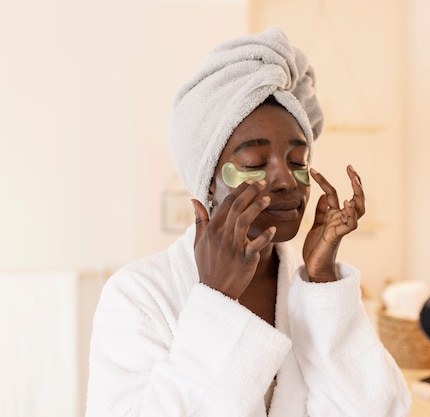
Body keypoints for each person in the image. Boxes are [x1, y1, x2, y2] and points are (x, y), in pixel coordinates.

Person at [85, 27, 411, 417]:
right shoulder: (138, 297)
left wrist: (323, 282)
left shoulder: (310, 289)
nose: (287, 180)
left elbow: (376, 410)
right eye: (255, 164)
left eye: (297, 161)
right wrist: (216, 300)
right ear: (208, 183)